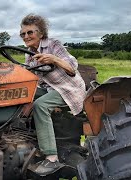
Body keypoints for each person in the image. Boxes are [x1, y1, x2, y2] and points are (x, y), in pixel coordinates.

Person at [20, 14, 86, 175]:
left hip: (69, 89)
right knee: (21, 96)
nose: (26, 36)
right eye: (23, 34)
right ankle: (24, 138)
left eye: (30, 32)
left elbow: (72, 67)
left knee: (40, 105)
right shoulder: (29, 54)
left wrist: (54, 59)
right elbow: (30, 76)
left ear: (41, 33)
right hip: (51, 88)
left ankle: (51, 158)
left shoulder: (53, 44)